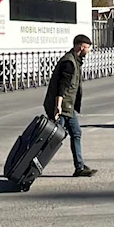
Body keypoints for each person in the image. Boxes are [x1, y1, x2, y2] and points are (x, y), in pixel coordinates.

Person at [43, 34, 97, 177]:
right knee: (53, 138)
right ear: (81, 47)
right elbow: (62, 87)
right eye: (88, 48)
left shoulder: (75, 60)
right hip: (61, 107)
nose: (89, 51)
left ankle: (79, 167)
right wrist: (57, 107)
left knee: (76, 133)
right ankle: (31, 163)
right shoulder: (69, 63)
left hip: (68, 106)